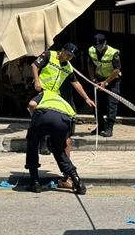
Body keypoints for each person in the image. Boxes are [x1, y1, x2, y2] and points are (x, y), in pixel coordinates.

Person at [23, 41, 95, 194]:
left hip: (53, 97)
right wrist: (37, 80)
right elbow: (34, 65)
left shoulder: (68, 67)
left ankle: (36, 180)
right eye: (67, 54)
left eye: (71, 57)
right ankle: (76, 180)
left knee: (35, 142)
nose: (68, 58)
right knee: (33, 106)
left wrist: (87, 98)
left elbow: (76, 83)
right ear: (62, 50)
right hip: (41, 92)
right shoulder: (49, 55)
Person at [88, 32, 122, 137]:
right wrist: (93, 79)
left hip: (112, 80)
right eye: (96, 46)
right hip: (98, 79)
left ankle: (109, 128)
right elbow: (90, 65)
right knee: (97, 104)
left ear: (105, 43)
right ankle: (100, 126)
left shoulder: (113, 53)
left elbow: (117, 70)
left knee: (111, 104)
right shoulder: (91, 50)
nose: (98, 48)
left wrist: (106, 82)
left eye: (100, 46)